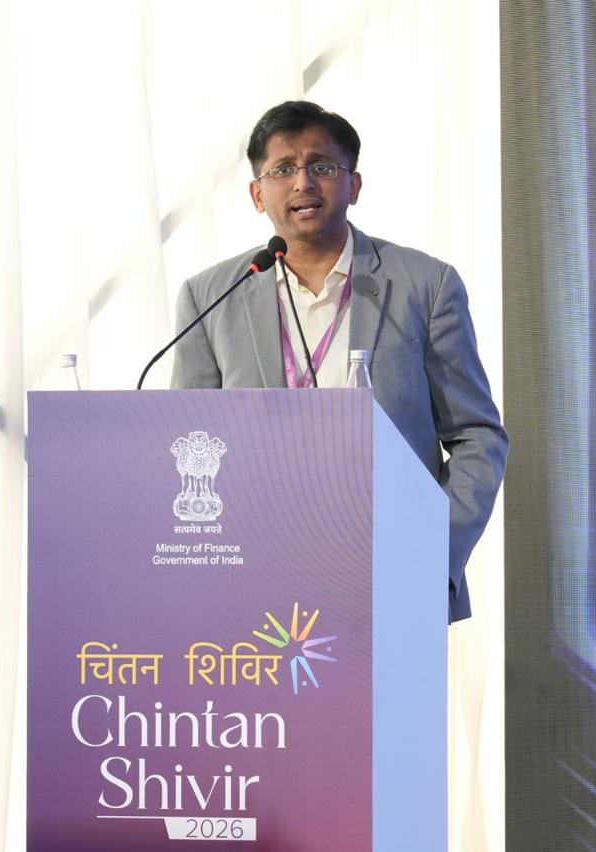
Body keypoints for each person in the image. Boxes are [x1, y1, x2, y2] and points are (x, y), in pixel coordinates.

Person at [170, 100, 507, 622]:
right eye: (283, 169)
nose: (303, 182)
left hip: (391, 573)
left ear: (354, 185)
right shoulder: (211, 295)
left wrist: (430, 549)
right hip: (252, 579)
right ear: (257, 194)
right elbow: (189, 438)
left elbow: (476, 435)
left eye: (322, 166)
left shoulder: (425, 285)